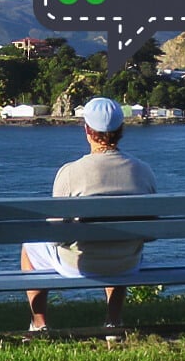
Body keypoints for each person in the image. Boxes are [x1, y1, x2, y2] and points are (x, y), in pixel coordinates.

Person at [20, 96, 157, 331]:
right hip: (127, 263)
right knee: (121, 240)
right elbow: (151, 232)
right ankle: (114, 321)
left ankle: (39, 323)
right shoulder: (143, 171)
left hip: (79, 263)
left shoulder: (71, 172)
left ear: (87, 130)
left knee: (29, 246)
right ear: (121, 130)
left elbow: (56, 236)